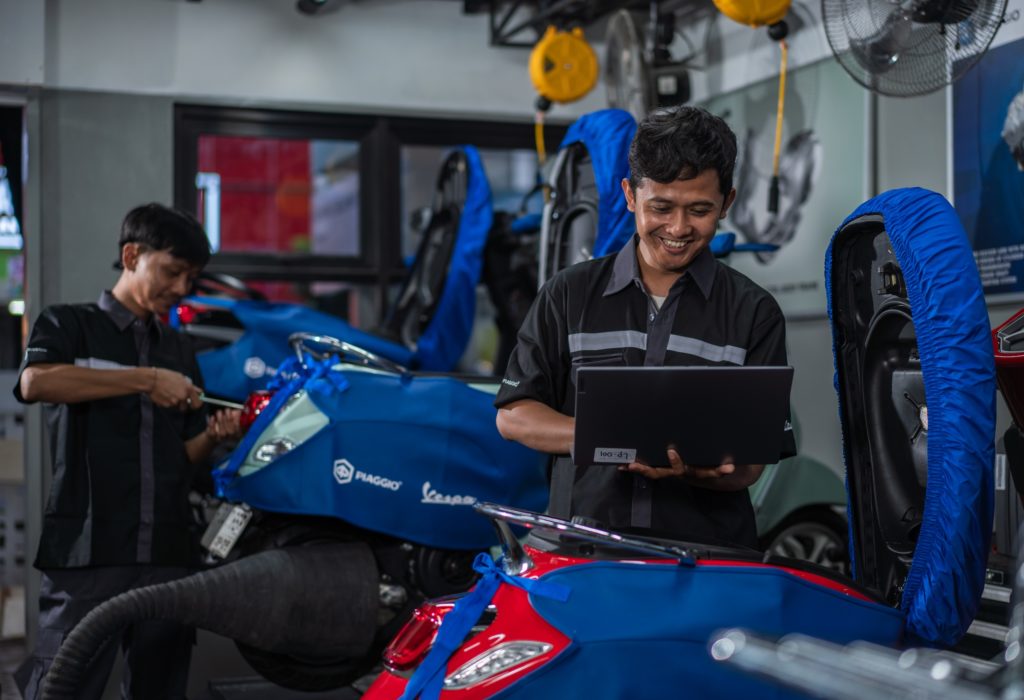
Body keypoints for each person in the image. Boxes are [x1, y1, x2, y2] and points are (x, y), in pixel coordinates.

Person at [495, 106, 795, 549]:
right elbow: (513, 416)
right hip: (583, 553)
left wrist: (689, 469)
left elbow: (749, 467)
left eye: (699, 210)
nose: (678, 228)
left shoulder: (755, 312)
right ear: (630, 195)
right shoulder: (569, 293)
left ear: (727, 203)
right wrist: (617, 438)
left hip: (706, 560)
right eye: (661, 207)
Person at [13, 203, 243, 700]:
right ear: (132, 255)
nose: (181, 288)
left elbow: (182, 459)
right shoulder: (69, 324)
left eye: (191, 278)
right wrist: (146, 380)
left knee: (159, 689)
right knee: (63, 687)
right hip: (90, 550)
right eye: (172, 271)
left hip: (166, 553)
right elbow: (35, 382)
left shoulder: (178, 350)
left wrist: (214, 435)